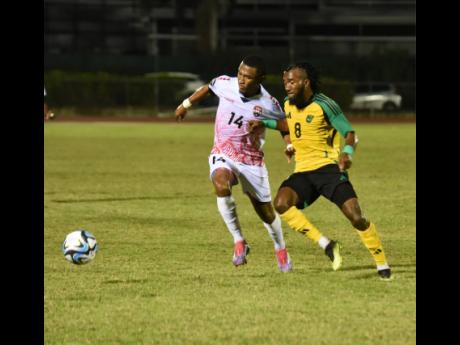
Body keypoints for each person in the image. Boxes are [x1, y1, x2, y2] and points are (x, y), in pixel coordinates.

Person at [248, 62, 392, 280]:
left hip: (328, 170)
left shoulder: (325, 104)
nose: (287, 86)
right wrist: (263, 123)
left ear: (305, 82)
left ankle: (382, 264)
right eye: (285, 81)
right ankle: (326, 244)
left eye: (292, 81)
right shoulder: (287, 104)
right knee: (280, 203)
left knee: (356, 216)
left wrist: (347, 153)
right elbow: (287, 125)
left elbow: (350, 133)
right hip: (303, 172)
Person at [175, 56, 292, 272]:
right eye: (240, 73)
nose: (241, 79)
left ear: (260, 79)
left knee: (265, 212)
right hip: (223, 152)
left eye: (248, 77)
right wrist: (186, 104)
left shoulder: (269, 103)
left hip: (251, 160)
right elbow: (208, 87)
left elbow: (285, 124)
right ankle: (239, 241)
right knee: (221, 185)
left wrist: (289, 145)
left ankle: (281, 248)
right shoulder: (225, 83)